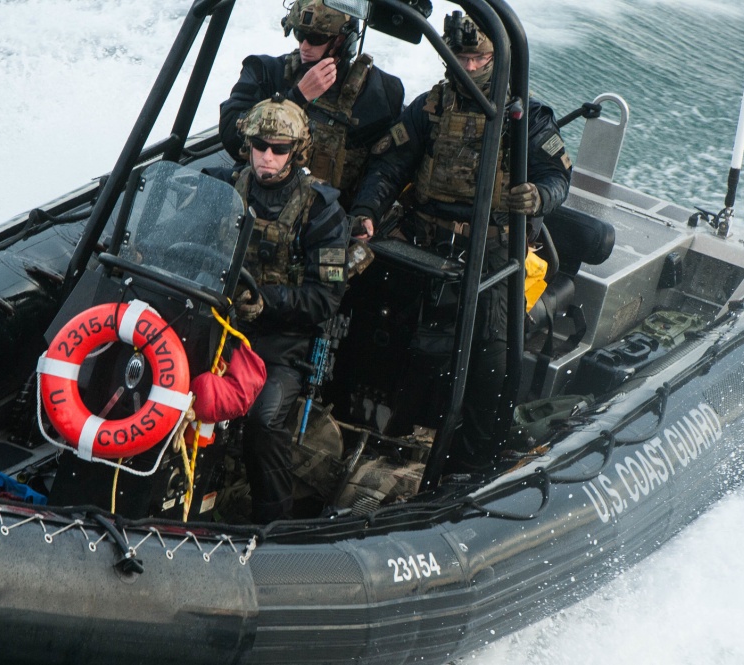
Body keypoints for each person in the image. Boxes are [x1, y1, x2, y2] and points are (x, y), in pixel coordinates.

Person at [349, 12, 572, 469]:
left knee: (491, 362)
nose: (469, 68)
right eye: (461, 58)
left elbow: (557, 177)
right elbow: (390, 165)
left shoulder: (527, 118)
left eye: (479, 59)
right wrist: (367, 211)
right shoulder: (430, 108)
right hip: (423, 241)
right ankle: (368, 429)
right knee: (376, 325)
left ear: (497, 59)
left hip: (492, 253)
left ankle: (473, 462)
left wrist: (537, 196)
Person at [214, 95, 351, 522]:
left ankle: (272, 520)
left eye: (279, 148)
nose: (267, 157)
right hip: (215, 320)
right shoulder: (222, 189)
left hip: (281, 342)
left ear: (297, 151)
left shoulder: (321, 212)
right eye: (260, 146)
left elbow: (325, 298)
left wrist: (266, 301)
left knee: (264, 421)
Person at [218, 0, 404, 210]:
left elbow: (387, 165)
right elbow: (230, 135)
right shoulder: (267, 72)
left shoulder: (377, 94)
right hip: (255, 203)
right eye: (300, 34)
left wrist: (366, 210)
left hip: (328, 216)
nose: (305, 46)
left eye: (316, 38)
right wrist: (295, 99)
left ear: (343, 40)